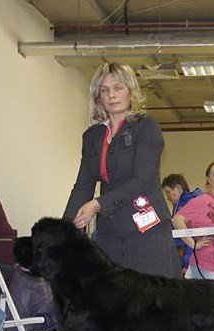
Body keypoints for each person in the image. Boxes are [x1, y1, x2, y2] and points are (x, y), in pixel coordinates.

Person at [63, 62, 179, 278]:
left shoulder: (146, 126)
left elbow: (142, 180)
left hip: (148, 233)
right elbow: (83, 185)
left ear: (131, 92)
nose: (111, 95)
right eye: (104, 90)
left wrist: (97, 204)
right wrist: (64, 230)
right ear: (98, 96)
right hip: (110, 235)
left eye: (118, 88)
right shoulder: (92, 136)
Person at [161, 173, 203, 270]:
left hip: (190, 259)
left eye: (168, 192)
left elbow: (190, 235)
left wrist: (186, 262)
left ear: (178, 188)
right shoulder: (179, 205)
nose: (167, 196)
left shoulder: (189, 204)